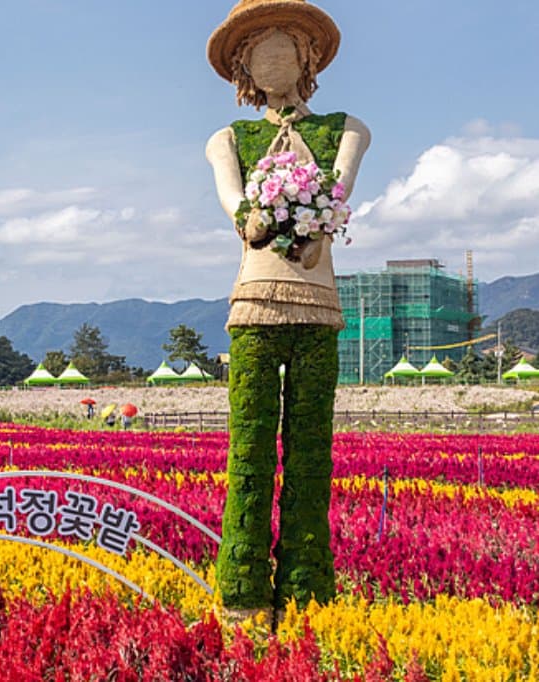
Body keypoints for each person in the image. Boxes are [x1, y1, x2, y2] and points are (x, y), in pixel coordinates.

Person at [205, 0, 371, 626]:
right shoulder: (228, 138)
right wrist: (245, 216)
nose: (270, 55)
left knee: (311, 452)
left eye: (282, 43)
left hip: (317, 306)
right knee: (247, 451)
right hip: (253, 305)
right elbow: (230, 195)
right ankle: (243, 593)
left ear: (308, 54)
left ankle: (307, 592)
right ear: (241, 66)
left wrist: (320, 223)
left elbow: (340, 184)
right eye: (255, 47)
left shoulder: (346, 127)